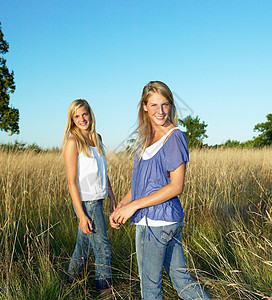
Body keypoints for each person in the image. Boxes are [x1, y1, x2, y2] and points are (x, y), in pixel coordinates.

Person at [110, 81, 209, 299]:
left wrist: (133, 206)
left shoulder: (174, 137)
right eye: (154, 105)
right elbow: (139, 184)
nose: (160, 111)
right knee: (180, 279)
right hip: (156, 220)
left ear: (171, 106)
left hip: (158, 222)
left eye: (165, 104)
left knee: (150, 286)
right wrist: (122, 207)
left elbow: (176, 186)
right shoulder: (145, 137)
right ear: (144, 106)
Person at [63, 99, 115, 299]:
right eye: (77, 116)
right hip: (87, 203)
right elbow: (72, 182)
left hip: (99, 199)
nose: (82, 119)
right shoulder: (72, 142)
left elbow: (104, 172)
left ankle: (70, 283)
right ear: (72, 120)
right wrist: (81, 215)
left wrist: (112, 197)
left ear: (90, 114)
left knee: (82, 247)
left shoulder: (97, 138)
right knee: (103, 249)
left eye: (84, 114)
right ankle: (105, 292)